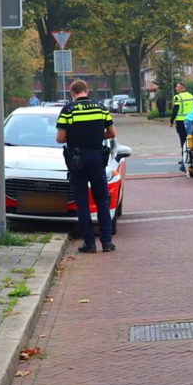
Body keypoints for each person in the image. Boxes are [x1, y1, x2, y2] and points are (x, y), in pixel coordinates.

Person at [56, 79, 117, 254]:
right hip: (97, 157)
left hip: (77, 159)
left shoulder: (68, 110)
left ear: (72, 93)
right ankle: (106, 242)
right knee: (102, 200)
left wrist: (75, 138)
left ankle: (89, 243)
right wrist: (96, 137)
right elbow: (112, 133)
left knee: (82, 202)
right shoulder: (100, 108)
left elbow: (60, 139)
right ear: (87, 91)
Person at [169, 82, 193, 151]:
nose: (176, 88)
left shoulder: (178, 97)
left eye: (177, 87)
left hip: (181, 121)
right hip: (191, 120)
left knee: (183, 139)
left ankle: (184, 156)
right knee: (190, 138)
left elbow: (175, 110)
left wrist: (171, 121)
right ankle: (191, 156)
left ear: (181, 88)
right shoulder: (192, 96)